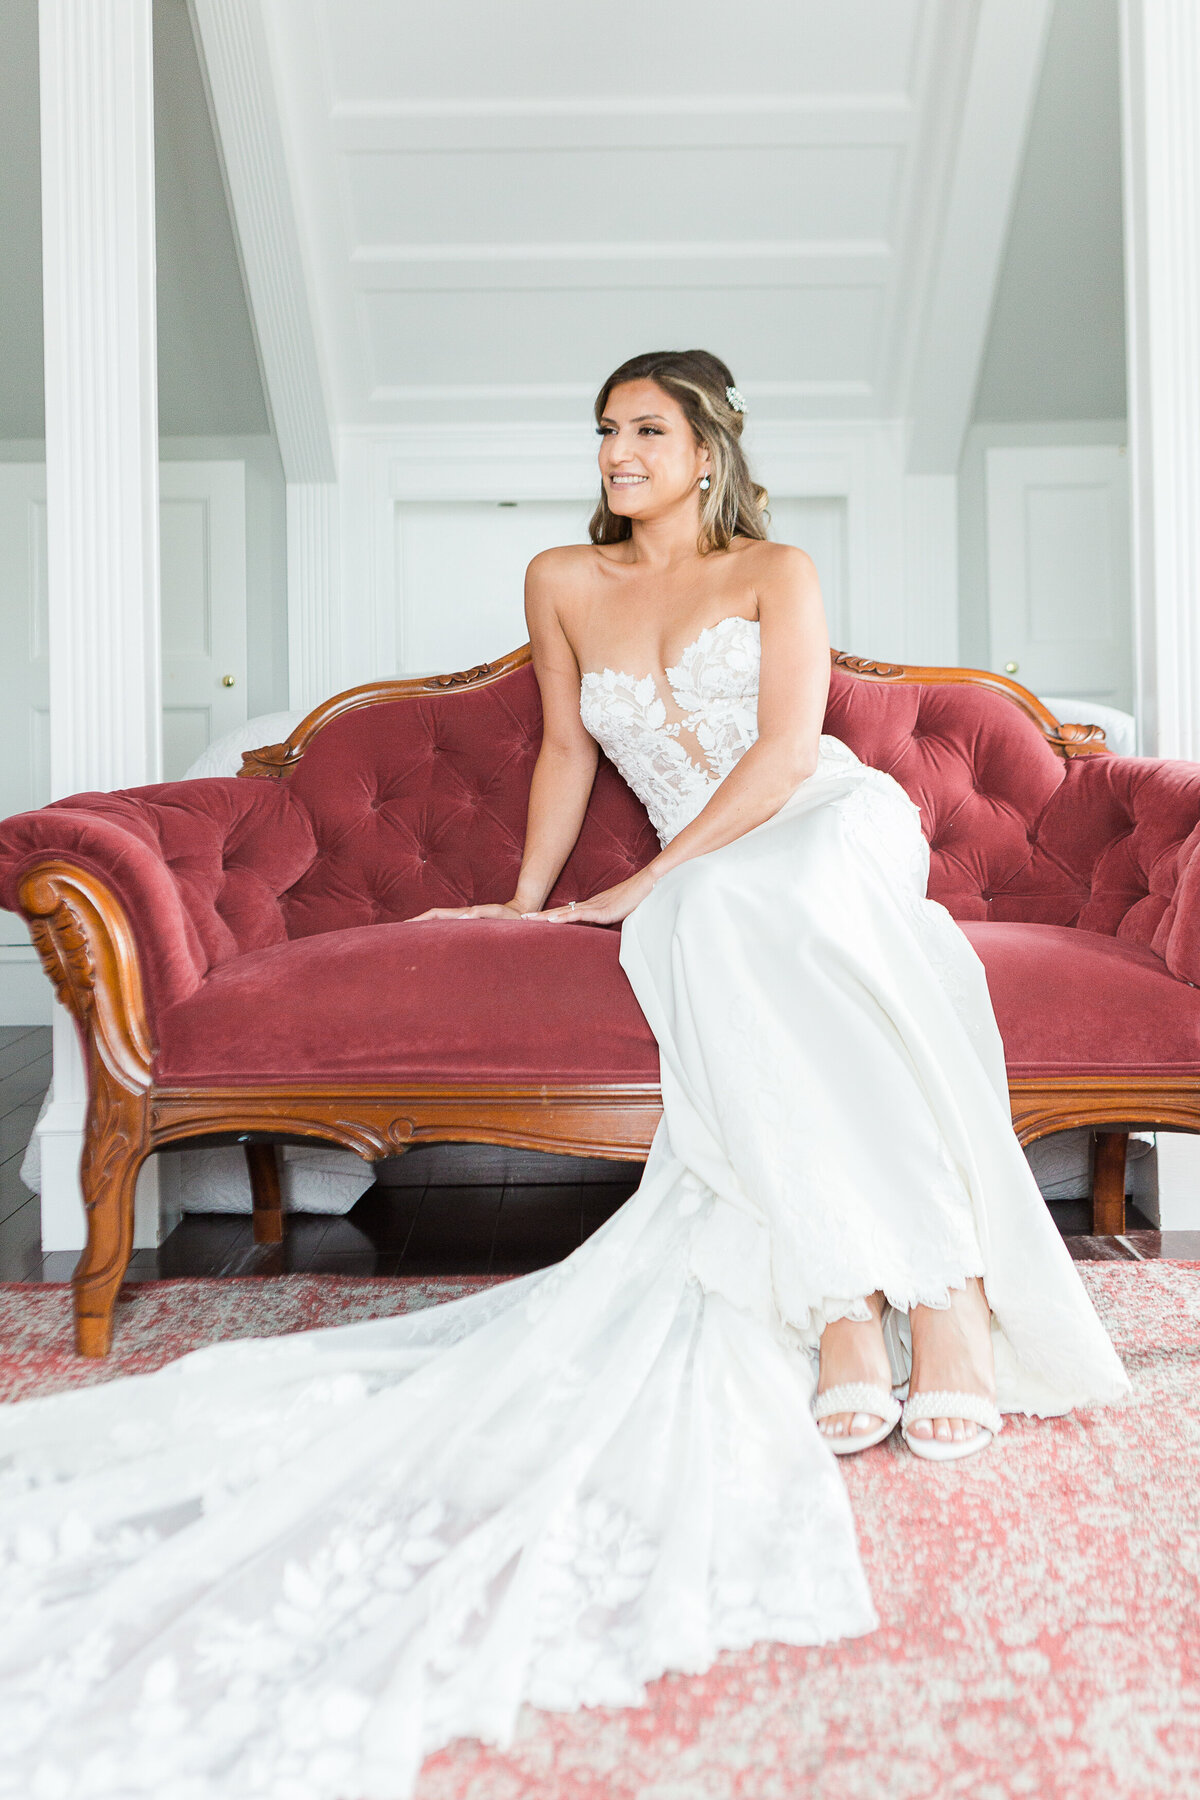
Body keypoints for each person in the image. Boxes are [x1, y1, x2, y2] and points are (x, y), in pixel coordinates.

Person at [0, 349, 1130, 1800]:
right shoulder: (560, 579)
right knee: (715, 923)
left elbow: (790, 753)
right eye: (605, 431)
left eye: (645, 431)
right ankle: (858, 1296)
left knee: (722, 910)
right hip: (708, 877)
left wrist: (647, 882)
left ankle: (943, 1300)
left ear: (706, 451)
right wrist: (536, 905)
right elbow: (558, 754)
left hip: (831, 829)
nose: (617, 452)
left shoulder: (778, 570)